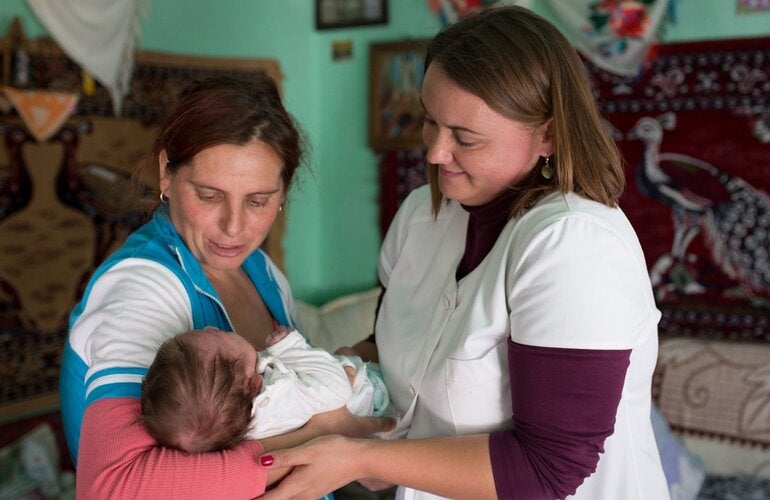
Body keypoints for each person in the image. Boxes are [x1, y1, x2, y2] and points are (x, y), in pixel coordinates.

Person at [258, 6, 670, 500]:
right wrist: (331, 378)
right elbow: (397, 350)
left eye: (465, 138)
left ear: (549, 134)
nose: (433, 152)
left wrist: (361, 457)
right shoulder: (421, 216)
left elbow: (550, 469)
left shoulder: (574, 246)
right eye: (430, 121)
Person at [59, 75, 391, 499]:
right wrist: (327, 436)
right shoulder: (143, 289)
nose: (234, 227)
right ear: (166, 173)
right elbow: (112, 488)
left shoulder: (262, 272)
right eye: (210, 196)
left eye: (258, 201)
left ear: (283, 192)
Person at [141, 325, 392, 452]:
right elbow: (337, 388)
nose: (210, 327)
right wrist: (289, 346)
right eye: (220, 334)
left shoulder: (238, 417)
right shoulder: (278, 398)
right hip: (375, 396)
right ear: (252, 383)